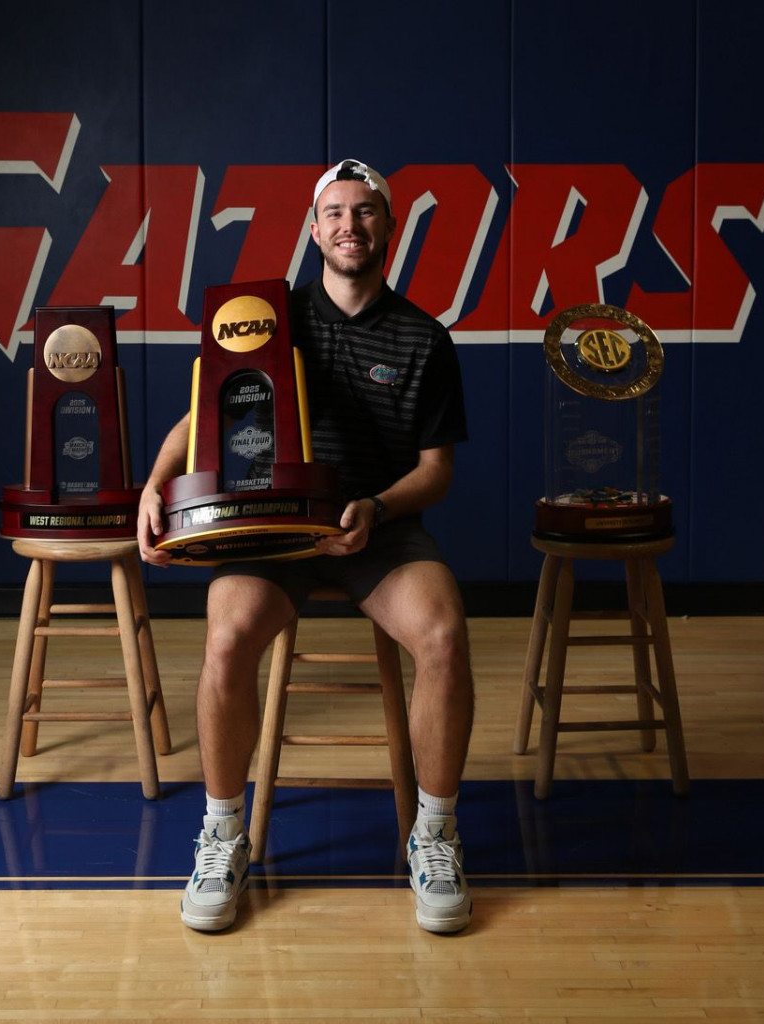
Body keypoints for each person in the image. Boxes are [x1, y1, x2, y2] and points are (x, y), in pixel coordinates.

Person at [137, 159, 475, 934]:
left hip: (373, 523)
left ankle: (436, 834)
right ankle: (224, 834)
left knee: (445, 634)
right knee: (225, 640)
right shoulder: (268, 313)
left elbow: (436, 470)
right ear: (313, 229)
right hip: (273, 524)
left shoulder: (425, 336)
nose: (349, 226)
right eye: (334, 213)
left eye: (364, 212)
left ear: (387, 227)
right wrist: (157, 482)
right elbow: (201, 415)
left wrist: (377, 505)